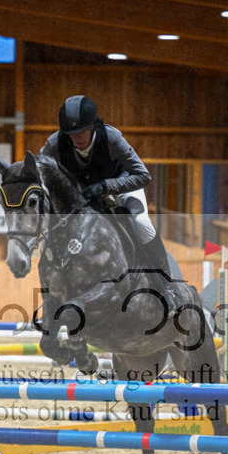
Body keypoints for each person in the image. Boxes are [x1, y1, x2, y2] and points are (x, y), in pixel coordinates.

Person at [40, 95, 180, 315]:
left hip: (121, 186)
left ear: (94, 126)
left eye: (82, 131)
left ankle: (168, 287)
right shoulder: (55, 144)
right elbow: (39, 174)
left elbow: (142, 175)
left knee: (141, 222)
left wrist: (108, 185)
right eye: (72, 134)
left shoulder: (112, 139)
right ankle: (54, 297)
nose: (77, 138)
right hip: (83, 196)